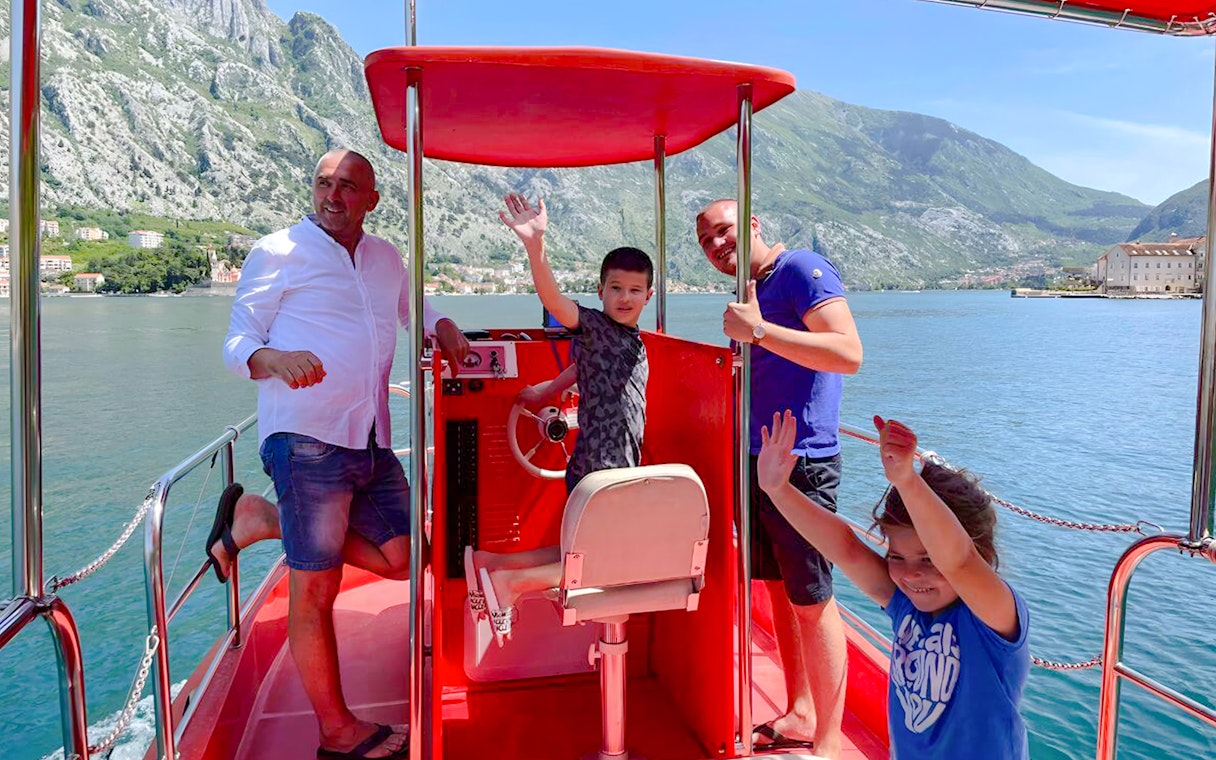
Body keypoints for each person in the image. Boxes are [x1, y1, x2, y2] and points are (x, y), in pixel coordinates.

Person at [209, 149, 469, 760]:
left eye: (348, 186)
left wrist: (447, 326)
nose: (333, 195)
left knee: (411, 555)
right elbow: (237, 339)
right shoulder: (277, 252)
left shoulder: (386, 259)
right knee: (316, 589)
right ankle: (335, 732)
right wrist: (272, 360)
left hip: (372, 435)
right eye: (324, 183)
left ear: (371, 199)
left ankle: (262, 520)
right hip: (306, 439)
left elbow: (415, 313)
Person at [757, 412, 1030, 760]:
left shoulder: (994, 617)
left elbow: (959, 561)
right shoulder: (906, 606)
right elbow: (848, 550)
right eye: (897, 556)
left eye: (929, 559)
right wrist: (778, 490)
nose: (911, 574)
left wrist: (908, 482)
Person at [696, 198, 862, 757]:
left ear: (752, 225)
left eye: (724, 231)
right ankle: (800, 712)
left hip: (802, 463)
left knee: (813, 599)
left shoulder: (800, 270)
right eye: (706, 241)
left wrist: (760, 331)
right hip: (760, 460)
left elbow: (848, 352)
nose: (717, 245)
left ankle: (832, 744)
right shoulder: (755, 288)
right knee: (781, 591)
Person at [464, 192, 653, 644]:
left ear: (648, 294)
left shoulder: (625, 336)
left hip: (600, 466)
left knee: (576, 550)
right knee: (607, 563)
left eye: (634, 290)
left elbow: (579, 368)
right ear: (601, 290)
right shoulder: (592, 325)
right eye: (615, 288)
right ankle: (510, 586)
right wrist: (535, 245)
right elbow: (552, 297)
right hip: (603, 470)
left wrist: (545, 390)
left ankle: (490, 563)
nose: (624, 297)